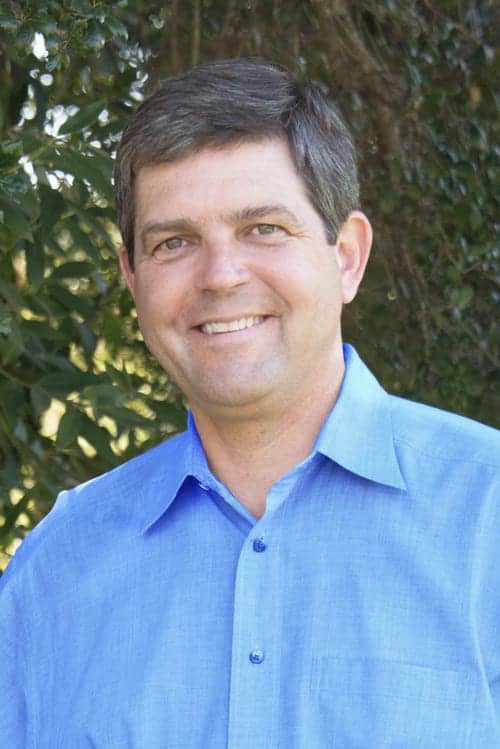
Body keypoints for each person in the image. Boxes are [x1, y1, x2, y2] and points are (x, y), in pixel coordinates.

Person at [1, 58, 499, 748]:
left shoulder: (486, 520)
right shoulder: (55, 572)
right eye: (174, 242)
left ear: (347, 256)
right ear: (132, 278)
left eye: (263, 228)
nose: (221, 276)